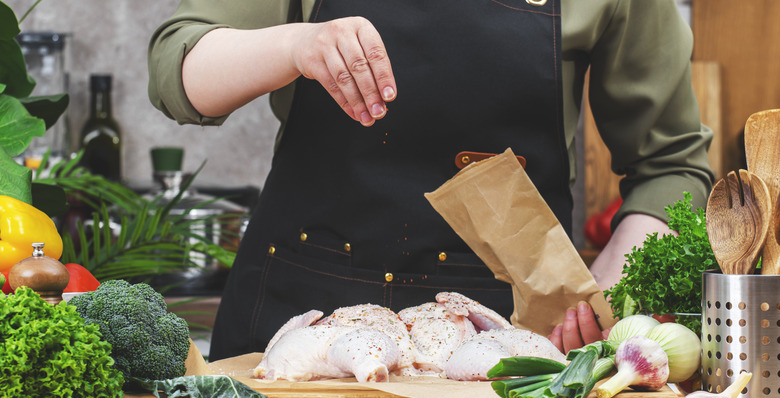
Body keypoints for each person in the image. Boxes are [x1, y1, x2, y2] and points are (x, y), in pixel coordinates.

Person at [148, 0, 713, 360]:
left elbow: (671, 164)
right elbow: (180, 68)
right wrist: (298, 44)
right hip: (299, 334)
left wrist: (600, 302)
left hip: (505, 345)